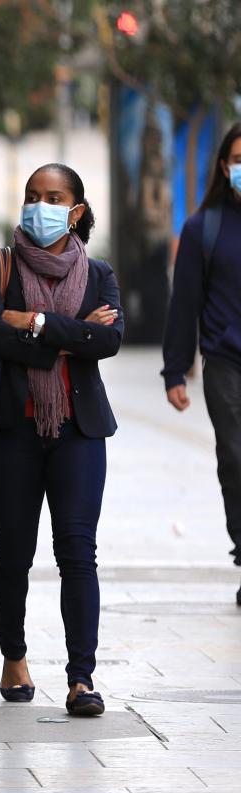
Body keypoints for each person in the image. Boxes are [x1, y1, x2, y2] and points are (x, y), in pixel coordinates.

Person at [0, 163, 123, 717]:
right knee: (14, 551)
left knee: (78, 552)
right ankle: (14, 656)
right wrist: (68, 335)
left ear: (76, 210)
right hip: (12, 430)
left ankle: (81, 678)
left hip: (79, 431)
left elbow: (109, 340)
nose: (41, 206)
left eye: (54, 197)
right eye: (33, 196)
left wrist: (31, 324)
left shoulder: (99, 273)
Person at [162, 122, 241, 605]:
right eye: (238, 160)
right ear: (223, 166)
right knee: (235, 457)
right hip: (226, 361)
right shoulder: (203, 227)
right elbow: (184, 302)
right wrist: (175, 370)